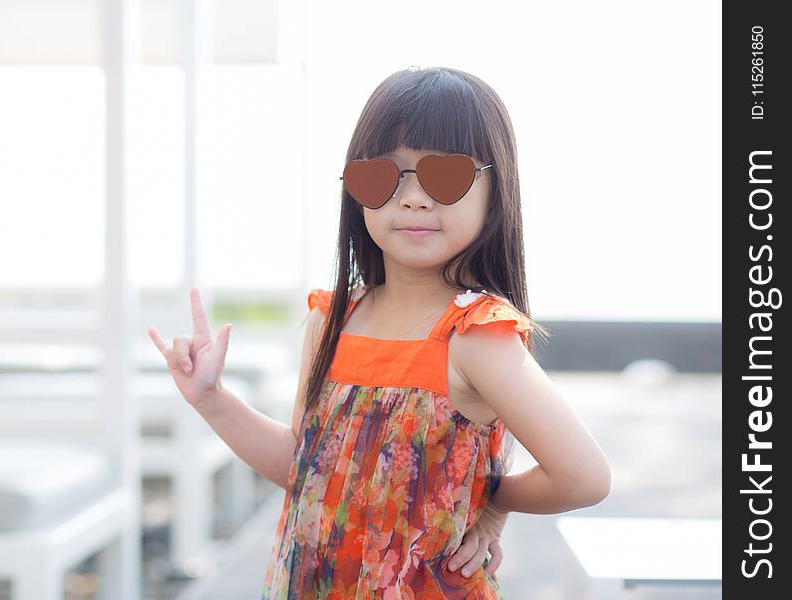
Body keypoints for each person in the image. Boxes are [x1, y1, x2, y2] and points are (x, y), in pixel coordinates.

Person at [148, 66, 612, 599]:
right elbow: (305, 468)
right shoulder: (332, 320)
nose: (412, 198)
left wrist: (493, 501)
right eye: (383, 176)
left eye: (444, 176)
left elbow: (583, 477)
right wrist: (210, 398)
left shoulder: (475, 336)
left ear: (496, 190)